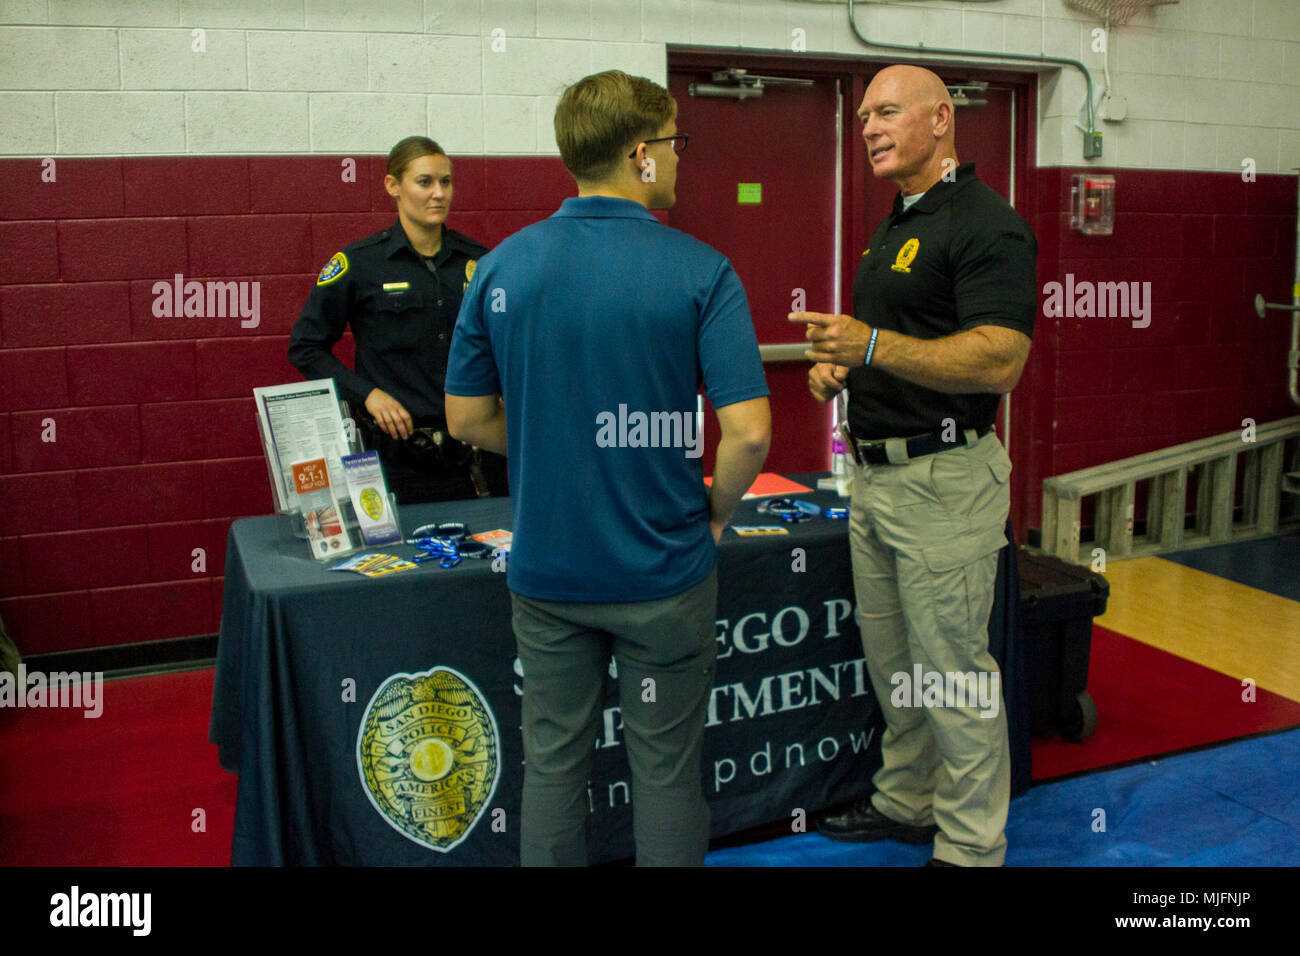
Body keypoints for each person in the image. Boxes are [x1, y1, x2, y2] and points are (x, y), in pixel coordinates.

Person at [445, 70, 771, 866]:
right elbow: (750, 435)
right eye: (674, 144)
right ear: (640, 154)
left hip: (552, 573)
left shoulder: (502, 268)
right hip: (664, 571)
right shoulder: (702, 270)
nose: (680, 160)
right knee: (665, 773)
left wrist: (558, 443)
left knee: (552, 767)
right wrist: (718, 511)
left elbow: (466, 419)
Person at [792, 64, 1037, 867]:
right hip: (876, 479)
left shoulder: (987, 224)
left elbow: (999, 359)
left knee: (954, 675)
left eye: (886, 112)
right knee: (896, 662)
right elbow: (907, 344)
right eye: (863, 116)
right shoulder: (898, 222)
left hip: (945, 481)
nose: (868, 127)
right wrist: (848, 368)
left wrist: (870, 346)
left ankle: (971, 846)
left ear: (941, 120)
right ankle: (907, 801)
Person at [288, 136, 508, 504]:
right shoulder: (360, 264)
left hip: (475, 455)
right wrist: (367, 395)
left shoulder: (479, 263)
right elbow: (305, 347)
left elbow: (503, 342)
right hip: (398, 461)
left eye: (446, 181)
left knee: (488, 558)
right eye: (425, 182)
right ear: (393, 186)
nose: (438, 193)